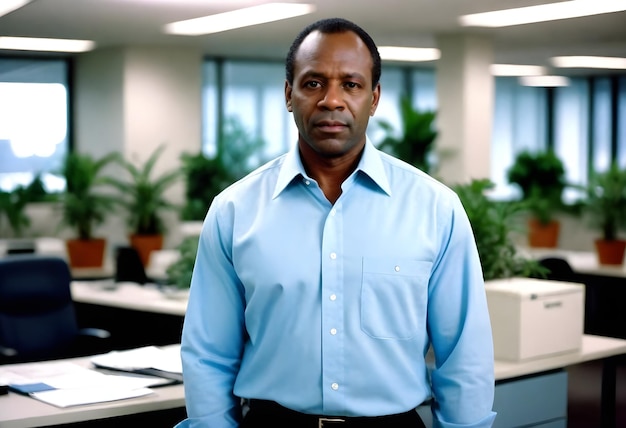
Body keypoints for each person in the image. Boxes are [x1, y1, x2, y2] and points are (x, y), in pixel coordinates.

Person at [176, 17, 496, 428]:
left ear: (374, 98)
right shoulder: (234, 211)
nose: (331, 100)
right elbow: (208, 352)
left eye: (351, 84)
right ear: (289, 94)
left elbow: (464, 355)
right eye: (313, 83)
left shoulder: (435, 209)